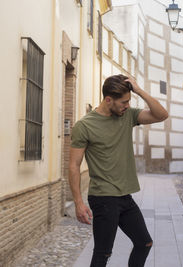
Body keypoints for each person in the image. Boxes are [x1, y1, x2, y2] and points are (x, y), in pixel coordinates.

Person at [68, 74, 168, 267]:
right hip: (103, 198)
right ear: (108, 100)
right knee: (102, 254)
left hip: (124, 196)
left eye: (129, 101)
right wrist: (78, 203)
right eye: (123, 102)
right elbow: (73, 165)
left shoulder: (127, 116)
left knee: (144, 243)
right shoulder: (85, 125)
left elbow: (161, 115)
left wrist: (138, 90)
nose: (127, 105)